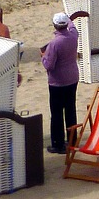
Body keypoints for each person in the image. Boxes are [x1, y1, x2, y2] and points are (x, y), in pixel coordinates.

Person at [42, 11, 82, 154]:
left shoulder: (54, 43)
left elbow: (49, 65)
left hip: (58, 82)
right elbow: (72, 26)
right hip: (72, 78)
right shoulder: (73, 35)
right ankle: (72, 140)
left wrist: (43, 57)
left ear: (54, 25)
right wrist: (70, 18)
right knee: (70, 109)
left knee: (57, 113)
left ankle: (58, 144)